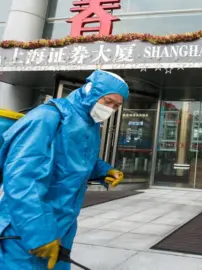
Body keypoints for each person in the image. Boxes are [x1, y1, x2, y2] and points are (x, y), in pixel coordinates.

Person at [0, 69, 129, 270]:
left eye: (116, 106)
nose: (110, 109)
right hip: (25, 227)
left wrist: (105, 170)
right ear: (90, 91)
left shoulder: (90, 124)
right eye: (108, 101)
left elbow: (79, 159)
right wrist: (38, 232)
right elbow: (21, 179)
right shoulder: (47, 117)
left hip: (62, 224)